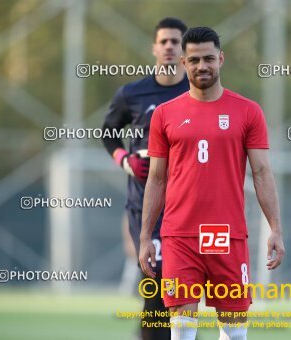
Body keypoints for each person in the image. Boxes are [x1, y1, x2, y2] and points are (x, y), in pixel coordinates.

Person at [139, 26, 285, 340]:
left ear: (221, 59)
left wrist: (275, 228)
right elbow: (156, 178)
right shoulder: (164, 115)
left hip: (227, 234)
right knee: (182, 328)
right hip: (180, 235)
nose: (201, 66)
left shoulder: (248, 112)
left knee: (234, 331)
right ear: (182, 62)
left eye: (208, 58)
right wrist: (145, 236)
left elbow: (261, 172)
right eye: (194, 60)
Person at [101, 17, 188, 340]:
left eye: (175, 41)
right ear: (154, 48)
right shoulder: (132, 93)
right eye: (163, 41)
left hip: (187, 206)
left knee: (183, 289)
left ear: (184, 50)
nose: (169, 46)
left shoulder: (197, 94)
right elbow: (108, 134)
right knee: (156, 284)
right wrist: (125, 161)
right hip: (146, 205)